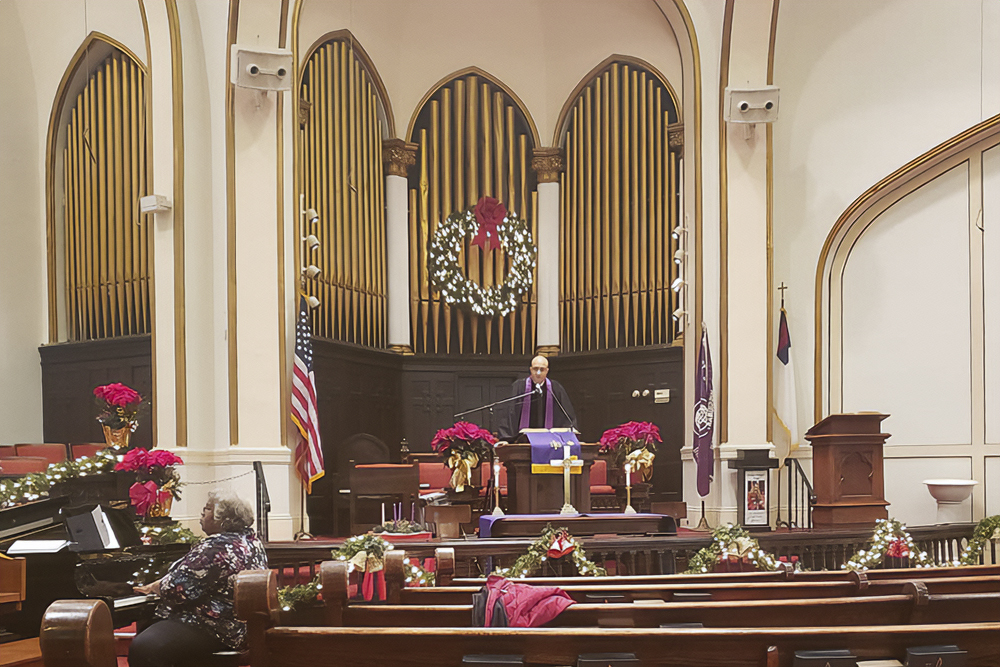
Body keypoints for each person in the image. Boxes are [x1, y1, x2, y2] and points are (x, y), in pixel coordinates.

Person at [128, 490, 268, 667]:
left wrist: (155, 586)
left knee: (144, 647)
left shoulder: (215, 547)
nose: (202, 512)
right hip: (240, 627)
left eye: (208, 508)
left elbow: (175, 590)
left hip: (214, 627)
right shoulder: (251, 541)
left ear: (222, 519)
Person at [498, 355, 577, 440]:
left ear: (547, 371)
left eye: (542, 369)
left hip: (550, 441)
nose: (538, 373)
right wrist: (506, 438)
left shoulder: (556, 388)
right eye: (535, 369)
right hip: (523, 441)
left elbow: (567, 416)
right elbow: (509, 414)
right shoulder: (519, 386)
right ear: (531, 369)